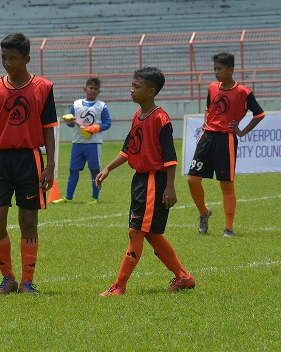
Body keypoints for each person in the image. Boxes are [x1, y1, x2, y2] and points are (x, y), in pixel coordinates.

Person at [95, 67, 195, 295]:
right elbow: (129, 150)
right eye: (132, 85)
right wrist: (108, 168)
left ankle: (119, 286)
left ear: (151, 92)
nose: (131, 90)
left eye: (136, 87)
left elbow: (170, 157)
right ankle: (183, 277)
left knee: (136, 232)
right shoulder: (137, 116)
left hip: (154, 182)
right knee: (150, 233)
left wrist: (170, 187)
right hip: (140, 181)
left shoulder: (161, 118)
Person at [0, 32, 58, 296]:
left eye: (13, 58)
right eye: (3, 58)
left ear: (27, 59)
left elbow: (49, 129)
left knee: (28, 219)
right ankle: (7, 277)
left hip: (30, 159)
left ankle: (27, 281)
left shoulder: (44, 87)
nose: (7, 63)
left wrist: (50, 166)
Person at [186, 52, 265, 237]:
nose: (216, 72)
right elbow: (209, 108)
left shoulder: (244, 92)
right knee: (192, 180)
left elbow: (259, 114)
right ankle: (204, 213)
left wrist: (242, 131)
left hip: (226, 140)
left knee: (227, 186)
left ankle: (228, 228)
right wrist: (207, 120)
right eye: (214, 68)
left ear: (231, 70)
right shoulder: (212, 88)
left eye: (219, 68)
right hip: (207, 137)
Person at [52, 77, 111, 204]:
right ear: (85, 89)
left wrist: (94, 128)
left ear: (99, 92)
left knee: (94, 170)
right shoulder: (76, 104)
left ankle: (95, 198)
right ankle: (68, 197)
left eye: (96, 89)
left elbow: (107, 123)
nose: (93, 91)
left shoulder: (101, 106)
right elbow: (72, 123)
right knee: (73, 169)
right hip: (78, 143)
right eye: (91, 88)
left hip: (93, 143)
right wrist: (68, 122)